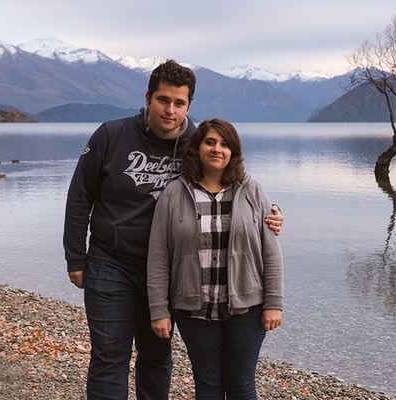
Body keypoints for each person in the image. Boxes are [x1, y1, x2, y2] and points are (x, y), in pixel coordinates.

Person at [63, 60, 284, 400]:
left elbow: (233, 183)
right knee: (109, 357)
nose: (170, 110)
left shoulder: (198, 143)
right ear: (148, 97)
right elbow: (80, 196)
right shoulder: (111, 135)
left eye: (179, 103)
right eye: (163, 100)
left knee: (156, 357)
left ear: (188, 106)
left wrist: (271, 213)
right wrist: (75, 256)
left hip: (172, 273)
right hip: (112, 263)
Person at [147, 118, 283, 400]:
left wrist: (274, 304)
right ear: (197, 148)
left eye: (224, 144)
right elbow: (158, 255)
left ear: (233, 151)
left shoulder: (251, 191)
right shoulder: (174, 193)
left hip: (247, 309)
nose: (217, 149)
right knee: (207, 386)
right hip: (194, 310)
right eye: (210, 142)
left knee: (241, 385)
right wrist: (158, 309)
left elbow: (271, 252)